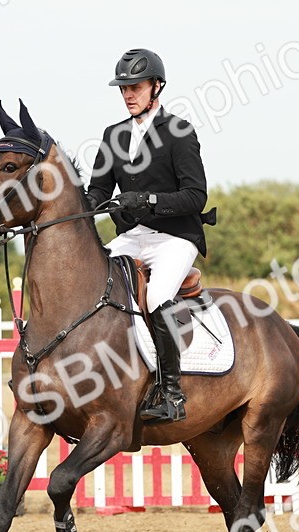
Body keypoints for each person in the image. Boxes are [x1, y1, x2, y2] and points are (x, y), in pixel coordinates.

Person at [86, 48, 210, 424]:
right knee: (92, 283)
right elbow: (98, 191)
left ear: (156, 87)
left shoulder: (179, 132)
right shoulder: (114, 135)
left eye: (135, 87)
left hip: (175, 237)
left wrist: (151, 199)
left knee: (156, 295)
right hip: (132, 235)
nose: (128, 95)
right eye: (123, 88)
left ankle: (171, 392)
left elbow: (196, 195)